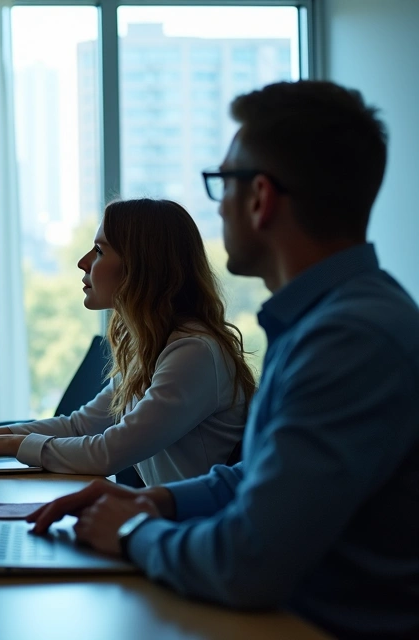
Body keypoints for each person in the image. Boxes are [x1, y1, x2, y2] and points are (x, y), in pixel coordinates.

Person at [28, 81, 419, 639]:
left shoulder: (350, 339)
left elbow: (247, 561)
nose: (218, 206)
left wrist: (132, 531)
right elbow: (265, 475)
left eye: (222, 183)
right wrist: (157, 500)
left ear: (260, 198)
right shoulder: (327, 320)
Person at [0, 198, 255, 485]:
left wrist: (13, 445)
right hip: (172, 519)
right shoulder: (151, 347)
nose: (83, 262)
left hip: (197, 527)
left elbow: (108, 453)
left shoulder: (194, 353)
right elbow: (80, 426)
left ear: (140, 267)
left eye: (99, 251)